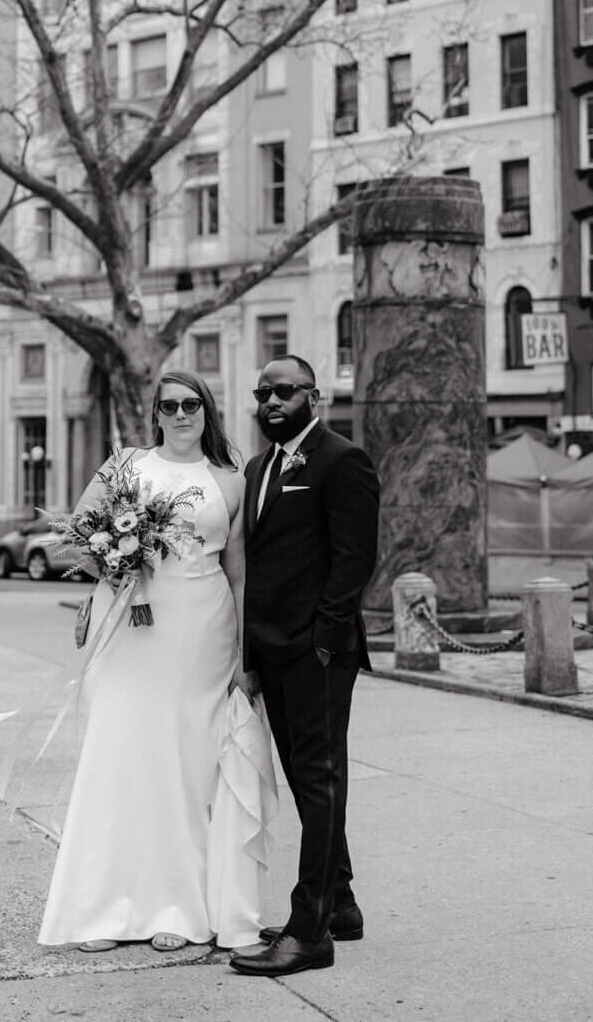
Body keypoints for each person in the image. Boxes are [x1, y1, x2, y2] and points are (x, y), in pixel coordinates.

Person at [38, 370, 254, 952]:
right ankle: (99, 909)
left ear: (207, 412)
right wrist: (114, 562)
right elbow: (73, 540)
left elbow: (239, 572)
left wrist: (245, 655)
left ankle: (177, 910)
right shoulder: (124, 466)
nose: (182, 415)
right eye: (170, 406)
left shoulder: (229, 481)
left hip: (201, 634)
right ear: (155, 414)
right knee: (118, 753)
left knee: (183, 765)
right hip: (128, 630)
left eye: (193, 405)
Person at [230, 354, 380, 978]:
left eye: (284, 391)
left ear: (313, 396)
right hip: (272, 650)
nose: (271, 401)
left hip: (318, 653)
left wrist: (324, 639)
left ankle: (310, 929)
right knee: (304, 781)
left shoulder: (342, 460)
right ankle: (340, 904)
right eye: (263, 392)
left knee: (320, 782)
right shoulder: (260, 466)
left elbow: (355, 559)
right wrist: (251, 651)